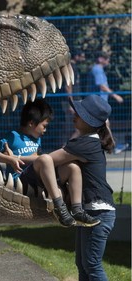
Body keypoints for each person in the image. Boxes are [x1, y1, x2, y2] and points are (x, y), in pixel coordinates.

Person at [30, 95, 115, 279]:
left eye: (79, 112)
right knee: (83, 264)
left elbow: (48, 160)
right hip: (91, 210)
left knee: (92, 265)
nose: (73, 113)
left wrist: (14, 159)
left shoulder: (85, 144)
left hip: (98, 211)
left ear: (89, 121)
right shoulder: (88, 141)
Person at [0, 99, 53, 185]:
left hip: (34, 179)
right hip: (18, 182)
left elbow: (35, 157)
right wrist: (10, 159)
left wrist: (15, 156)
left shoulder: (37, 139)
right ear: (31, 123)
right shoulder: (12, 136)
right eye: (44, 126)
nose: (45, 130)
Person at [62, 49, 86, 140]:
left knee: (74, 126)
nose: (84, 58)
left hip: (76, 101)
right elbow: (68, 86)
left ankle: (68, 145)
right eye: (82, 56)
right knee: (74, 126)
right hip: (72, 102)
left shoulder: (75, 67)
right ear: (76, 56)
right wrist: (70, 103)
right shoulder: (70, 67)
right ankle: (66, 146)